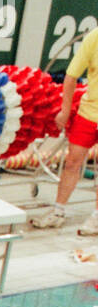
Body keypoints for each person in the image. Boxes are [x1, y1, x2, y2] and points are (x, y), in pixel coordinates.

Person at [29, 27, 98, 234]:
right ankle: (58, 211)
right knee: (71, 162)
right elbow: (70, 77)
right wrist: (65, 111)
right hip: (88, 113)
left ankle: (96, 217)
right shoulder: (94, 37)